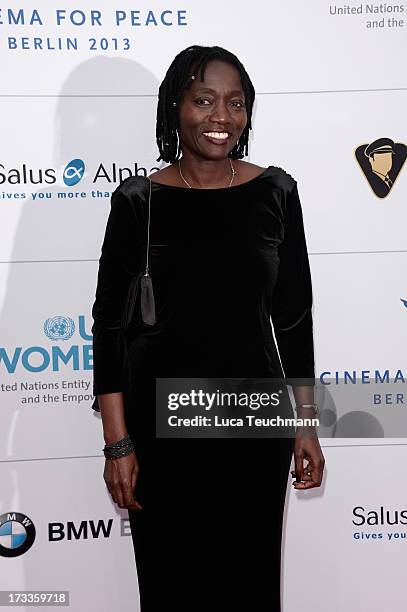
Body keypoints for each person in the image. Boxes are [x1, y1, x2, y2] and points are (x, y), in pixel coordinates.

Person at [91, 45, 325, 612]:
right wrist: (117, 443)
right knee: (172, 588)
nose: (221, 117)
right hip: (163, 433)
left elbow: (293, 319)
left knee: (250, 585)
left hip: (253, 425)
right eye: (204, 100)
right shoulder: (138, 202)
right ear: (176, 107)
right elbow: (109, 329)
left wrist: (306, 424)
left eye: (236, 103)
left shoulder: (276, 192)